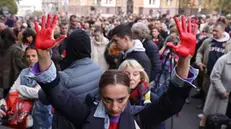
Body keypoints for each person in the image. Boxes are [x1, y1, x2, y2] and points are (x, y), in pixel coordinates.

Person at [16, 15, 198, 129]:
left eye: (121, 100)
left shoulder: (139, 118)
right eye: (108, 100)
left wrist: (185, 60)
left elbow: (172, 103)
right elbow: (56, 93)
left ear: (129, 95)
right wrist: (42, 55)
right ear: (100, 95)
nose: (115, 107)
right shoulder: (86, 115)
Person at [36, 15, 102, 129]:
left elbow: (43, 97)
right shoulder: (99, 69)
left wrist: (43, 57)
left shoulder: (65, 77)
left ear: (69, 48)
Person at [8, 46, 53, 129]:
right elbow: (12, 91)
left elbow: (37, 93)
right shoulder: (24, 71)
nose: (30, 59)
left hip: (42, 115)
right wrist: (29, 93)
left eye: (33, 56)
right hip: (24, 115)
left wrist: (20, 89)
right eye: (28, 56)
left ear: (39, 56)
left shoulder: (46, 72)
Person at [118, 59, 166, 129]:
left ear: (141, 77)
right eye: (127, 74)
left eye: (135, 74)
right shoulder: (115, 96)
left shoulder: (152, 99)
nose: (131, 78)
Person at [199, 52, 231, 128]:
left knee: (223, 122)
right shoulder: (223, 60)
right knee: (210, 120)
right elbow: (214, 77)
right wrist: (222, 91)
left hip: (229, 100)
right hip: (218, 96)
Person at [0, 28, 26, 98]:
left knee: (4, 95)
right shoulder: (16, 49)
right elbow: (20, 64)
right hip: (14, 76)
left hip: (3, 77)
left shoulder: (2, 49)